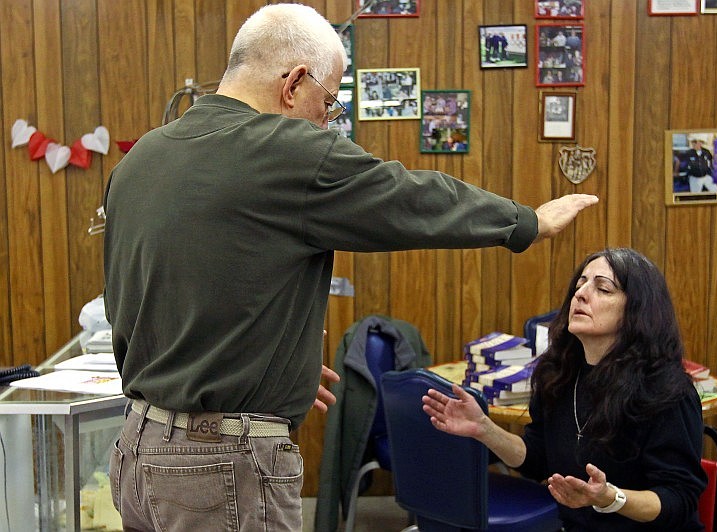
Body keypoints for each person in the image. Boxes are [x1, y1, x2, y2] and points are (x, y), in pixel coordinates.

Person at [103, 3, 598, 531]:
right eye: (329, 100)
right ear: (293, 83)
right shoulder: (286, 149)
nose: (327, 119)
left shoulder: (139, 160)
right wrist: (528, 223)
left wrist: (264, 369)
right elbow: (410, 198)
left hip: (137, 449)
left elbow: (137, 303)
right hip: (221, 467)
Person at [423, 248, 707, 531]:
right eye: (580, 283)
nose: (581, 293)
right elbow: (537, 459)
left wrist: (611, 498)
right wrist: (484, 429)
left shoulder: (667, 390)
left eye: (603, 289)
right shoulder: (559, 373)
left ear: (638, 311)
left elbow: (678, 498)